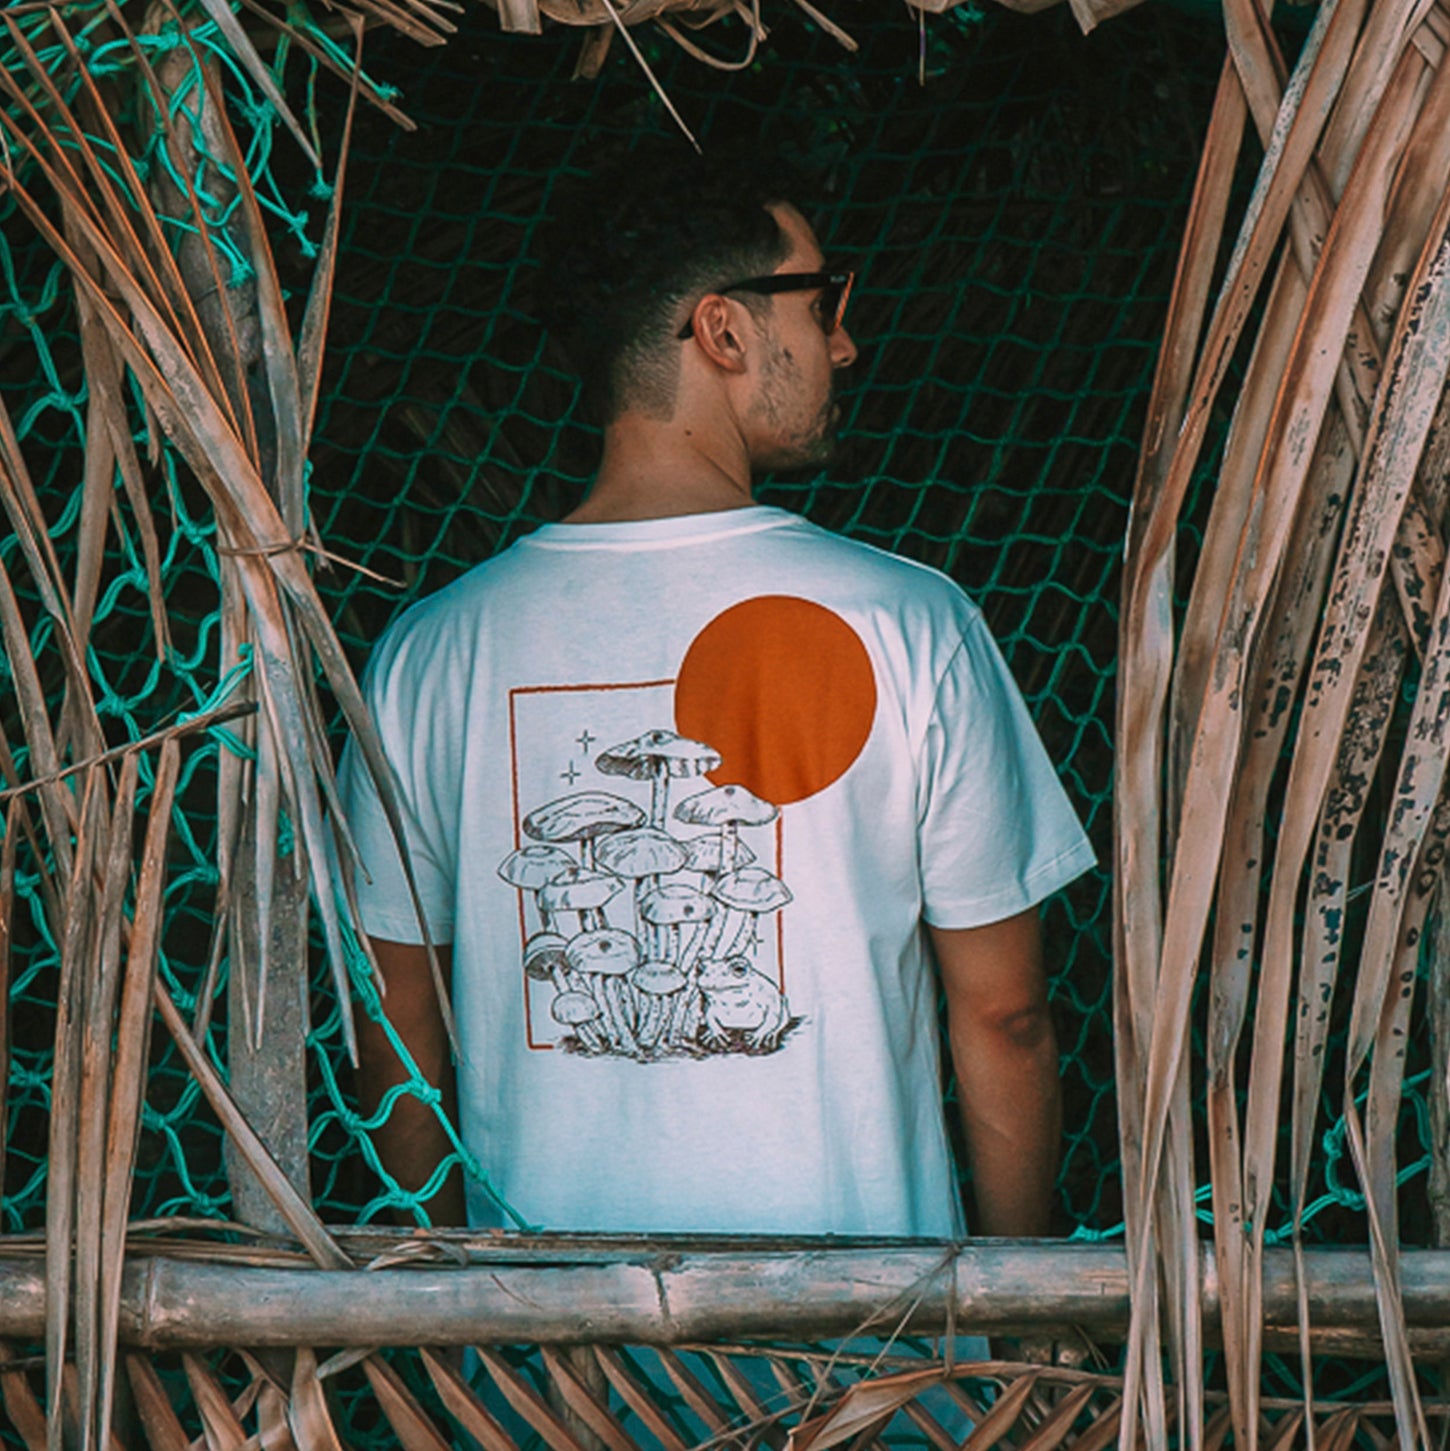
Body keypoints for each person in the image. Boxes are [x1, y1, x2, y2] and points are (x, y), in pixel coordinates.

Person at [337, 148, 1094, 1243]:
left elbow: (394, 1024)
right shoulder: (910, 621)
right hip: (866, 1328)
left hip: (540, 1335)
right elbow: (1004, 1011)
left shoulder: (430, 654)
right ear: (724, 331)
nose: (844, 344)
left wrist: (446, 1285)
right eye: (821, 303)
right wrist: (1015, 1295)